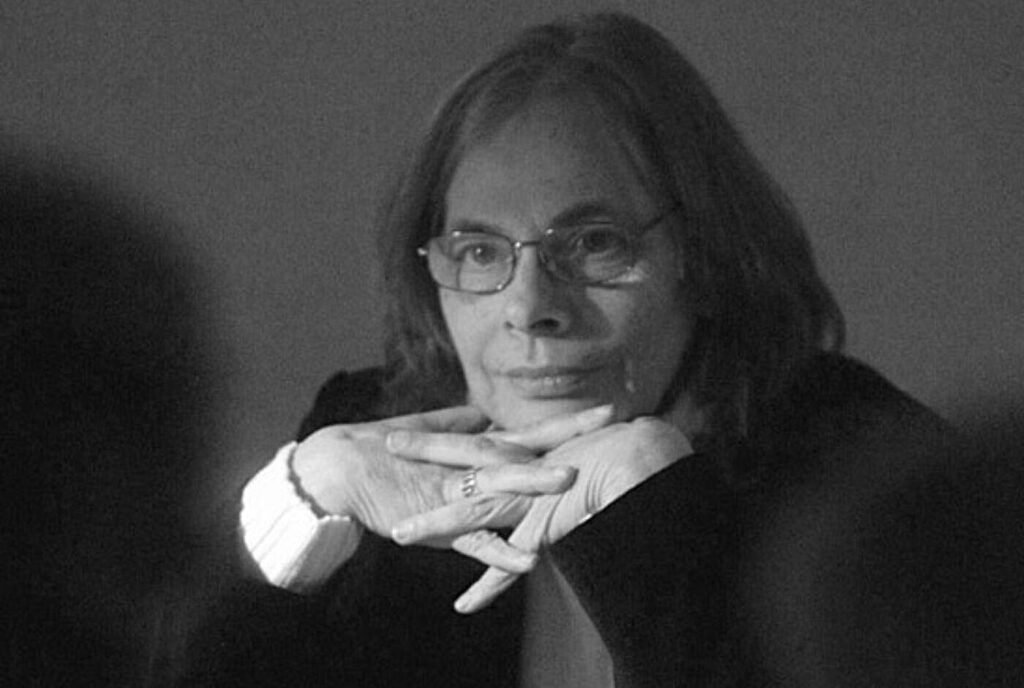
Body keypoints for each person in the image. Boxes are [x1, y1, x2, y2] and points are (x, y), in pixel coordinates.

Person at [176, 11, 949, 687]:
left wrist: (650, 518)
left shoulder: (869, 478)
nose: (529, 308)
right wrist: (300, 501)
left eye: (593, 243)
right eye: (480, 252)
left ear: (703, 252)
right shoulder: (369, 435)